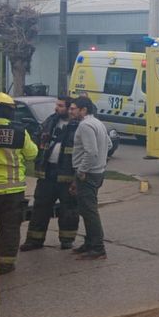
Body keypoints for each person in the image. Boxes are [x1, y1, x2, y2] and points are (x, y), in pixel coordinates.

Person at [0, 93, 38, 273]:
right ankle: (5, 263)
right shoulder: (20, 132)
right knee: (10, 228)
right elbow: (32, 154)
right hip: (13, 191)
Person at [21, 96, 80, 251]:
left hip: (67, 175)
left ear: (69, 108)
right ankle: (34, 240)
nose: (56, 108)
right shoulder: (50, 121)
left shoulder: (78, 126)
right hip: (47, 173)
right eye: (57, 105)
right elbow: (37, 139)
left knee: (69, 208)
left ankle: (67, 240)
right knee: (40, 206)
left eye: (60, 106)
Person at [69, 95, 112, 260]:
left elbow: (91, 151)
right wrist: (101, 162)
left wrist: (81, 171)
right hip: (97, 172)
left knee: (89, 211)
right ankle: (90, 242)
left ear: (83, 110)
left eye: (74, 108)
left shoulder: (85, 125)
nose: (71, 111)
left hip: (88, 174)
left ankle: (97, 247)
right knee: (86, 210)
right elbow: (107, 145)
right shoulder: (98, 123)